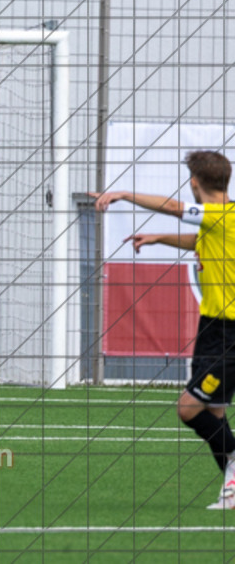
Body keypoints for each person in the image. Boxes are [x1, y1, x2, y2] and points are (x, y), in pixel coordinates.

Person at [92, 150, 235, 510]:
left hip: (230, 334)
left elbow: (173, 206)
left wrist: (124, 194)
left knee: (188, 409)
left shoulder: (225, 215)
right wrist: (158, 238)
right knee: (214, 414)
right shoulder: (216, 223)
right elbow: (198, 241)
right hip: (212, 328)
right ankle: (232, 489)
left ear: (195, 183)